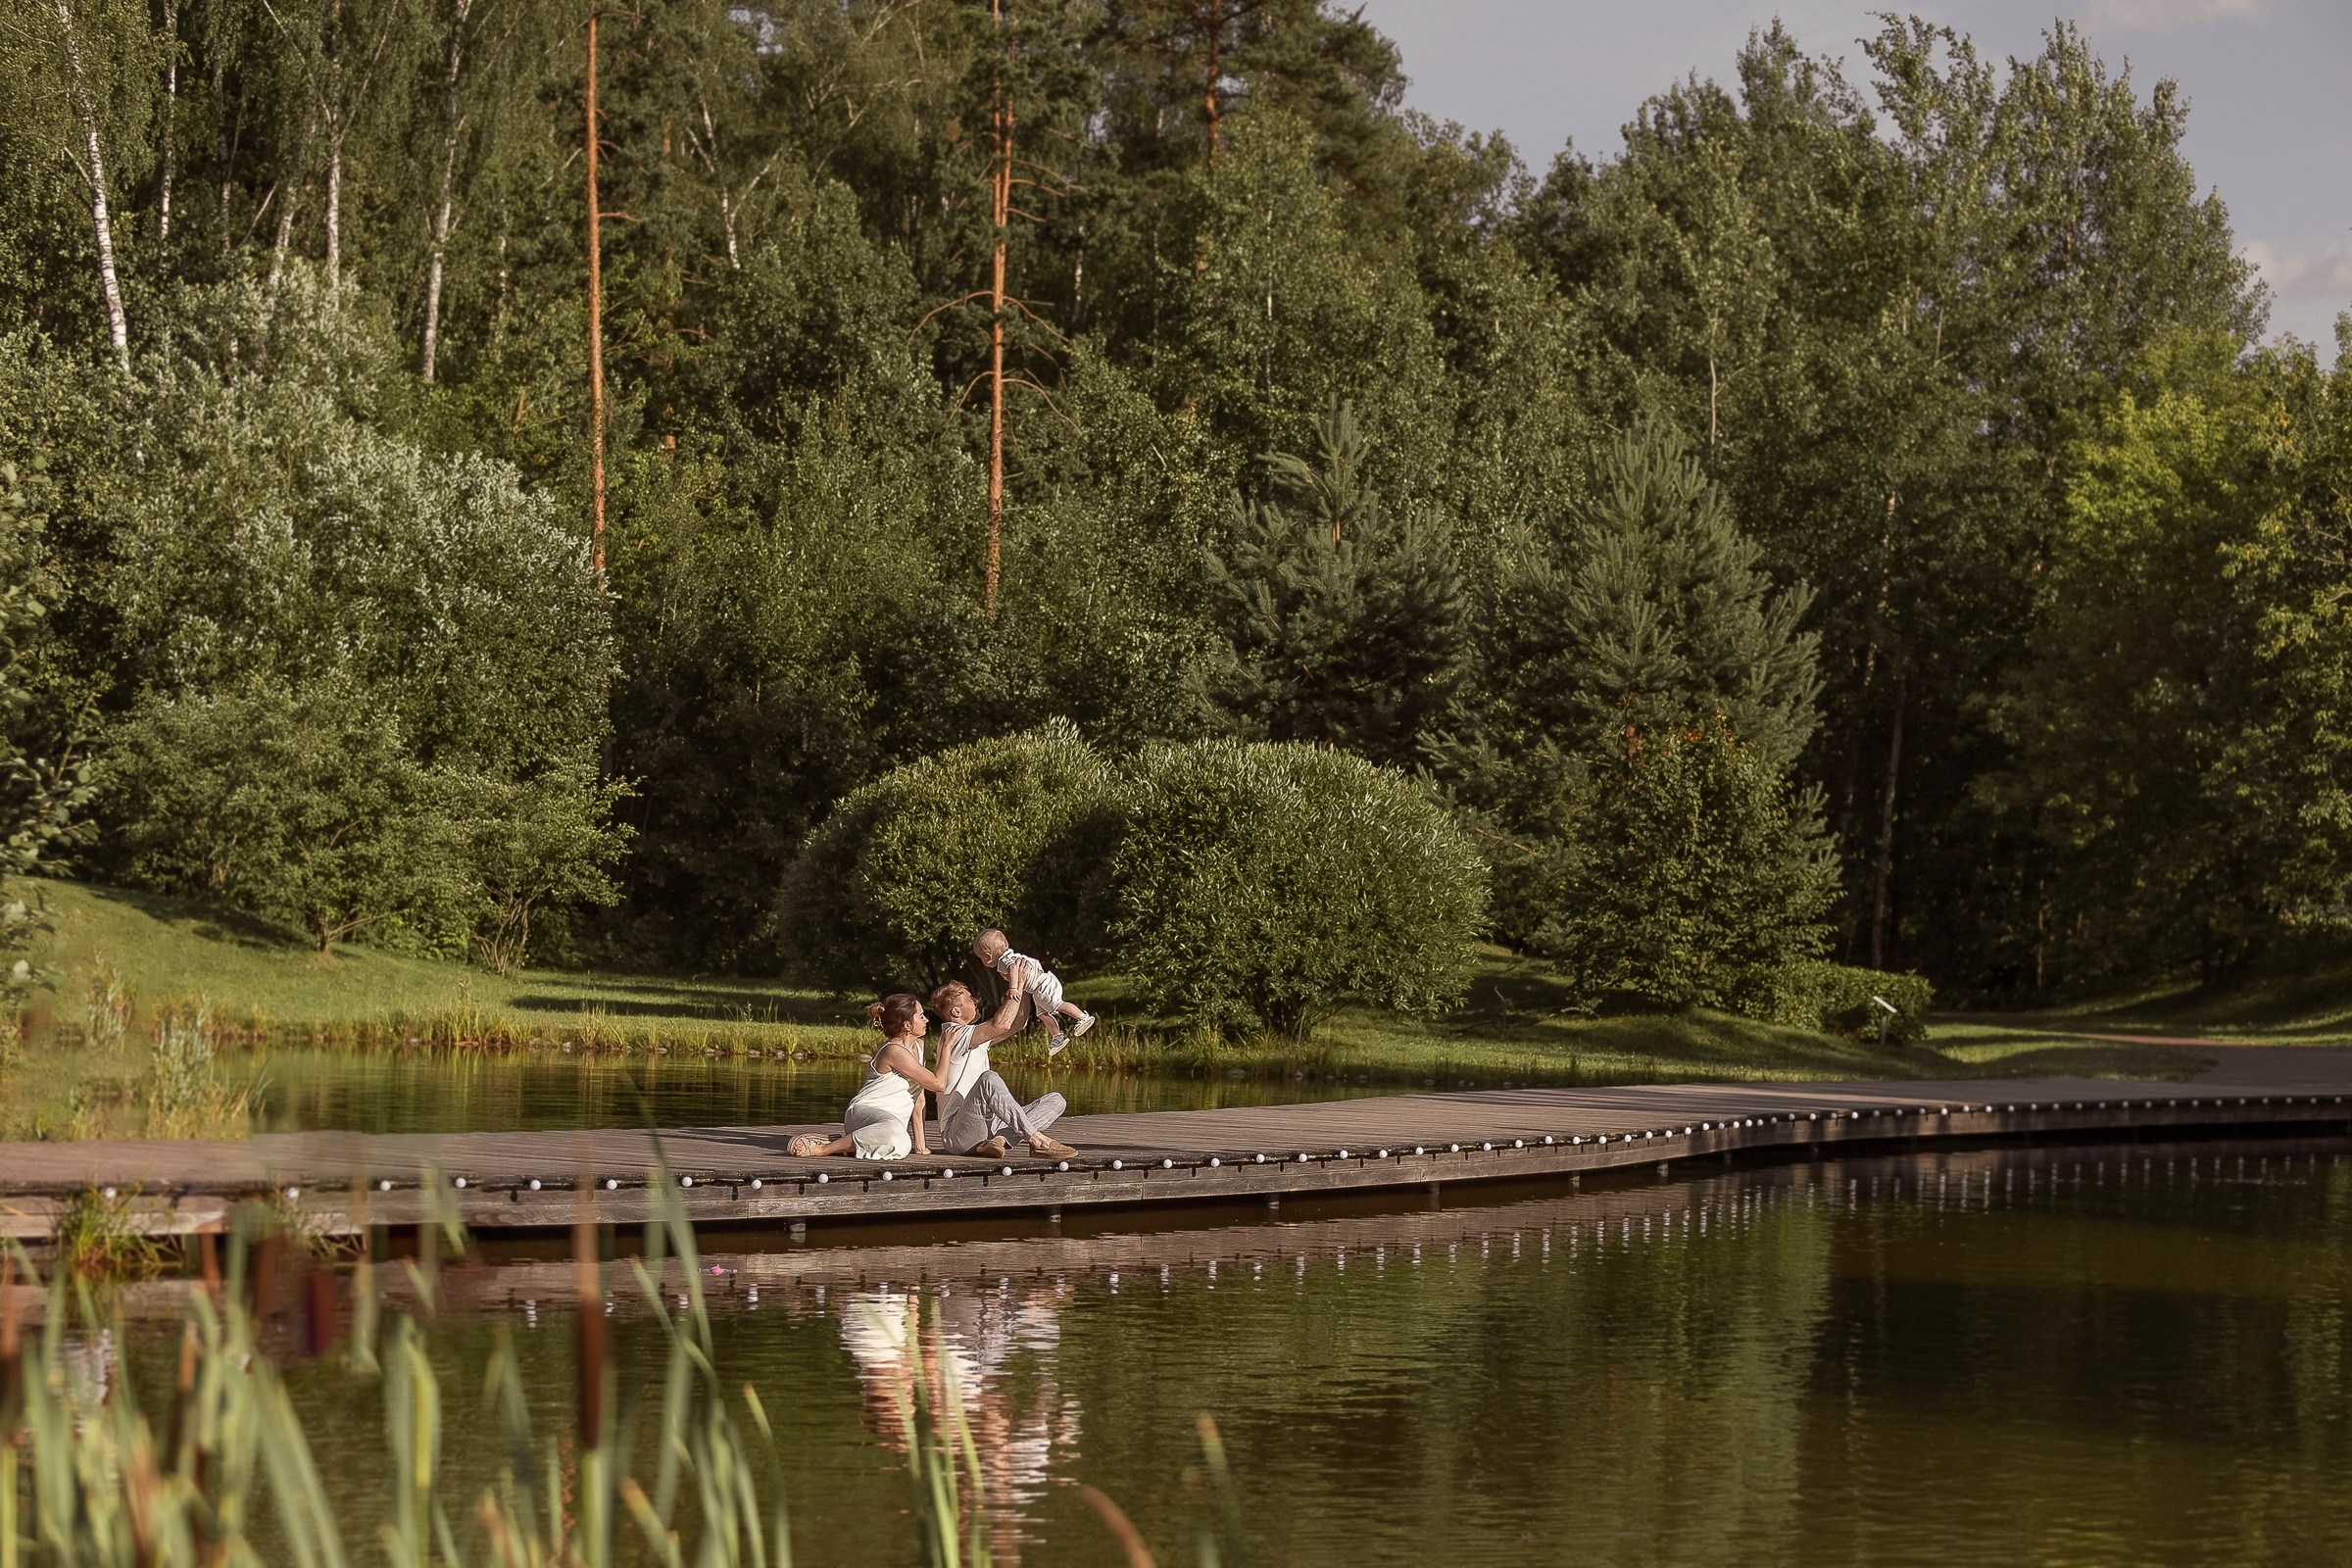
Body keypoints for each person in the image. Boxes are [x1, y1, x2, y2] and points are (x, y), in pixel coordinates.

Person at [786, 994, 951, 1159]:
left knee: (899, 1141)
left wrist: (921, 1146)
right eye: (921, 1016)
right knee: (899, 1137)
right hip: (865, 1113)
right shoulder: (893, 1050)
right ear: (907, 1025)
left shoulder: (919, 1046)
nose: (926, 1020)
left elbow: (919, 1098)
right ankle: (824, 1149)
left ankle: (842, 1142)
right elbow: (938, 1084)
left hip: (888, 1127)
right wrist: (946, 1046)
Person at [931, 980, 1077, 1159]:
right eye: (970, 999)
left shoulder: (971, 1036)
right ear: (956, 1012)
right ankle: (1037, 1140)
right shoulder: (954, 1035)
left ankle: (1000, 1140)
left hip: (986, 1126)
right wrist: (1015, 988)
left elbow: (1017, 1023)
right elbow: (1001, 1025)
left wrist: (1026, 985)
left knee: (1057, 1100)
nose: (975, 1001)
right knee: (988, 1079)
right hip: (958, 1135)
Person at [972, 928, 1094, 1056]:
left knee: (1057, 1005)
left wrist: (1014, 988)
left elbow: (1013, 968)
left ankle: (1081, 1017)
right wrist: (1019, 985)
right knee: (1042, 1014)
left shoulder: (1004, 961)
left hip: (1041, 985)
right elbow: (1032, 967)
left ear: (988, 956)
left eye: (981, 958)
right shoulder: (1015, 956)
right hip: (1038, 986)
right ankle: (1057, 1036)